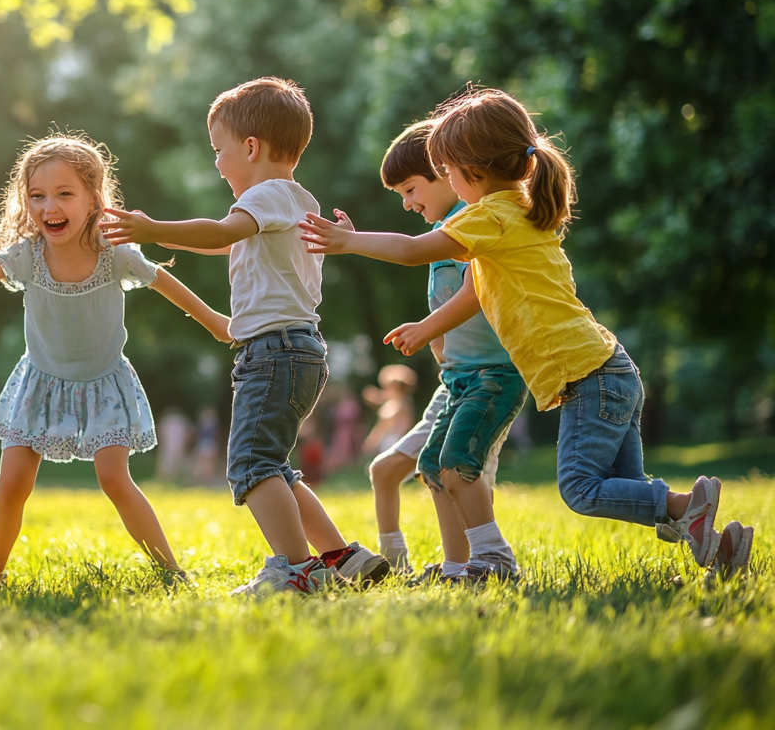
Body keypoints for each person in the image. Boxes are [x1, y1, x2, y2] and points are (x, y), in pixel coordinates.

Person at [300, 87, 754, 579]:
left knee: (582, 490)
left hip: (588, 375)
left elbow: (414, 251)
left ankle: (689, 505)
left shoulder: (491, 215)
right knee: (629, 488)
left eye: (447, 172)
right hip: (609, 369)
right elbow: (475, 292)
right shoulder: (521, 209)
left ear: (472, 170)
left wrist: (346, 241)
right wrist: (430, 326)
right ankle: (713, 538)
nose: (447, 182)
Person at [0, 133, 231, 586]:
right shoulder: (28, 256)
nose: (49, 206)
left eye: (64, 194)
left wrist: (216, 323)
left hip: (103, 382)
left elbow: (166, 284)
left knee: (114, 479)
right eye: (37, 196)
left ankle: (171, 571)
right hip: (41, 382)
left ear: (94, 198)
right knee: (12, 484)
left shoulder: (116, 253)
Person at [102, 76, 389, 595]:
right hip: (297, 350)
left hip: (274, 352)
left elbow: (220, 232)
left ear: (251, 147)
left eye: (219, 150)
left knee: (253, 466)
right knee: (274, 465)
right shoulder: (293, 200)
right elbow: (222, 240)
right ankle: (342, 558)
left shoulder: (269, 194)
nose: (216, 162)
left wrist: (153, 229)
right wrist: (172, 240)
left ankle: (297, 572)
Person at [366, 120, 529, 581]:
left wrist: (426, 329)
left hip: (493, 373)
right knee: (434, 468)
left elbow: (473, 292)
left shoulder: (474, 224)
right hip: (459, 376)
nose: (407, 202)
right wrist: (436, 340)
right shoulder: (445, 230)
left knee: (459, 466)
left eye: (411, 188)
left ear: (447, 173)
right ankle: (459, 566)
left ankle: (491, 560)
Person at [361, 364, 417, 459]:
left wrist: (372, 440)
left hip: (393, 442)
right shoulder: (404, 402)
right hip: (397, 442)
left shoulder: (397, 405)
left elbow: (384, 424)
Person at [155, 407, 194, 482]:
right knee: (178, 462)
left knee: (166, 462)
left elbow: (158, 433)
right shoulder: (182, 421)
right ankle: (178, 478)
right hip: (179, 445)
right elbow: (190, 434)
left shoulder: (166, 420)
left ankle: (166, 480)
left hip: (168, 446)